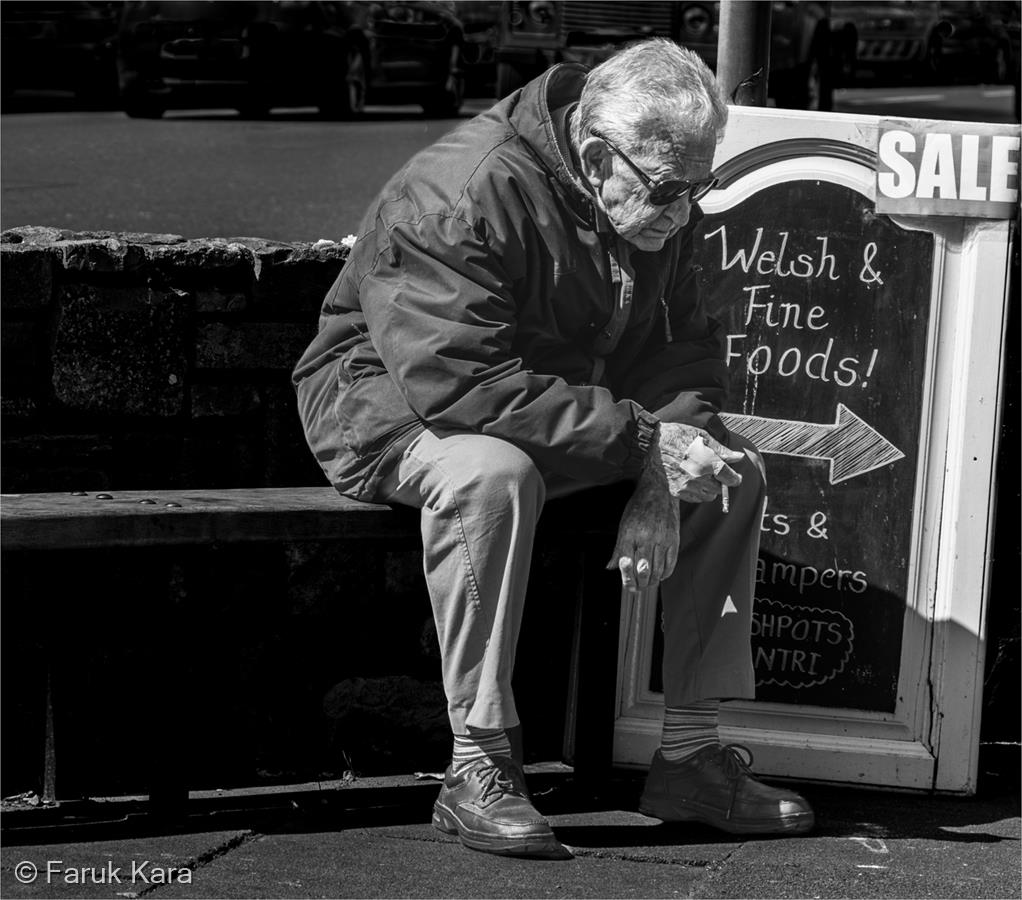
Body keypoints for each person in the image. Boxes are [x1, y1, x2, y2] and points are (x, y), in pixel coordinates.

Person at [293, 38, 814, 859]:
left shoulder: (655, 190)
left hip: (558, 407)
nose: (686, 212)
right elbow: (463, 385)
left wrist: (658, 465)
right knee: (491, 477)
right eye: (671, 191)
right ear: (599, 154)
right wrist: (644, 442)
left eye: (701, 187)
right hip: (391, 407)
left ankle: (688, 754)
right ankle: (479, 763)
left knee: (729, 472)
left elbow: (689, 359)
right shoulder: (459, 191)